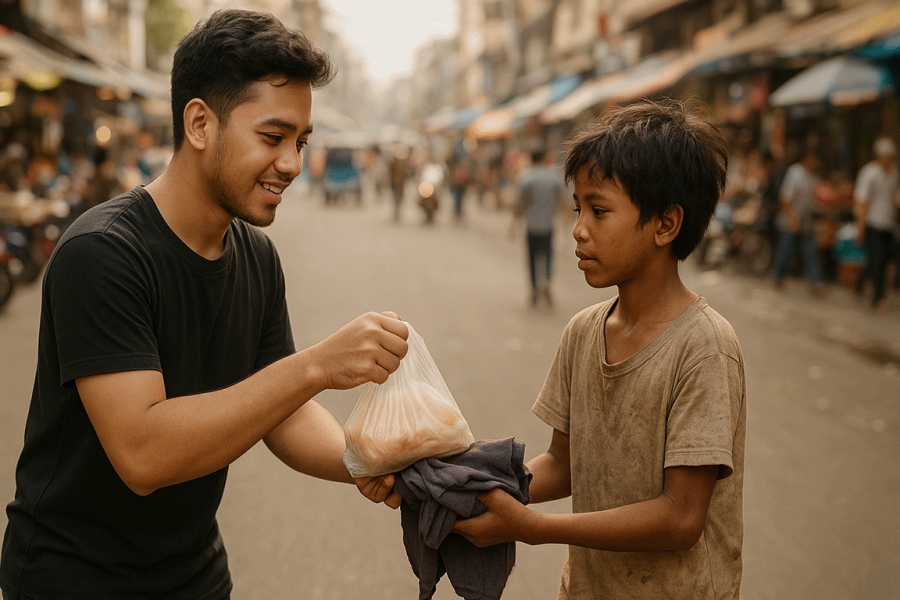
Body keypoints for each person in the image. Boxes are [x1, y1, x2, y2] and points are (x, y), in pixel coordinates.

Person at [0, 10, 408, 600]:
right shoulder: (103, 252)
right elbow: (144, 453)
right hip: (73, 579)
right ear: (199, 124)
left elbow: (284, 414)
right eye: (272, 137)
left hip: (196, 575)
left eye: (300, 142)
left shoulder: (257, 257)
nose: (292, 164)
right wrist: (317, 365)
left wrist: (369, 459)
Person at [453, 99, 746, 599]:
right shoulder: (584, 332)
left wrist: (533, 528)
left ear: (665, 224)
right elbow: (564, 463)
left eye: (600, 210)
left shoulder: (704, 347)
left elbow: (681, 518)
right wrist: (479, 487)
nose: (579, 228)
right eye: (578, 209)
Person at [513, 147, 566, 307]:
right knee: (548, 255)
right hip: (548, 226)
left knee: (532, 258)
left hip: (532, 226)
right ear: (544, 158)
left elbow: (519, 204)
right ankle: (547, 280)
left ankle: (534, 287)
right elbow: (561, 199)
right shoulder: (553, 178)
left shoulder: (526, 178)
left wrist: (515, 220)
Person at [853, 137, 899, 310]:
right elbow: (862, 201)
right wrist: (860, 227)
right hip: (873, 222)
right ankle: (878, 297)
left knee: (881, 259)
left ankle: (860, 282)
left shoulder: (894, 173)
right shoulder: (869, 173)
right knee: (877, 259)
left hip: (889, 224)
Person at [772, 150, 823, 293]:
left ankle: (816, 282)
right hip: (790, 221)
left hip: (805, 222)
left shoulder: (813, 177)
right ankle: (778, 277)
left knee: (810, 252)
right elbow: (785, 198)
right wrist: (792, 219)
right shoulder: (795, 173)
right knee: (785, 251)